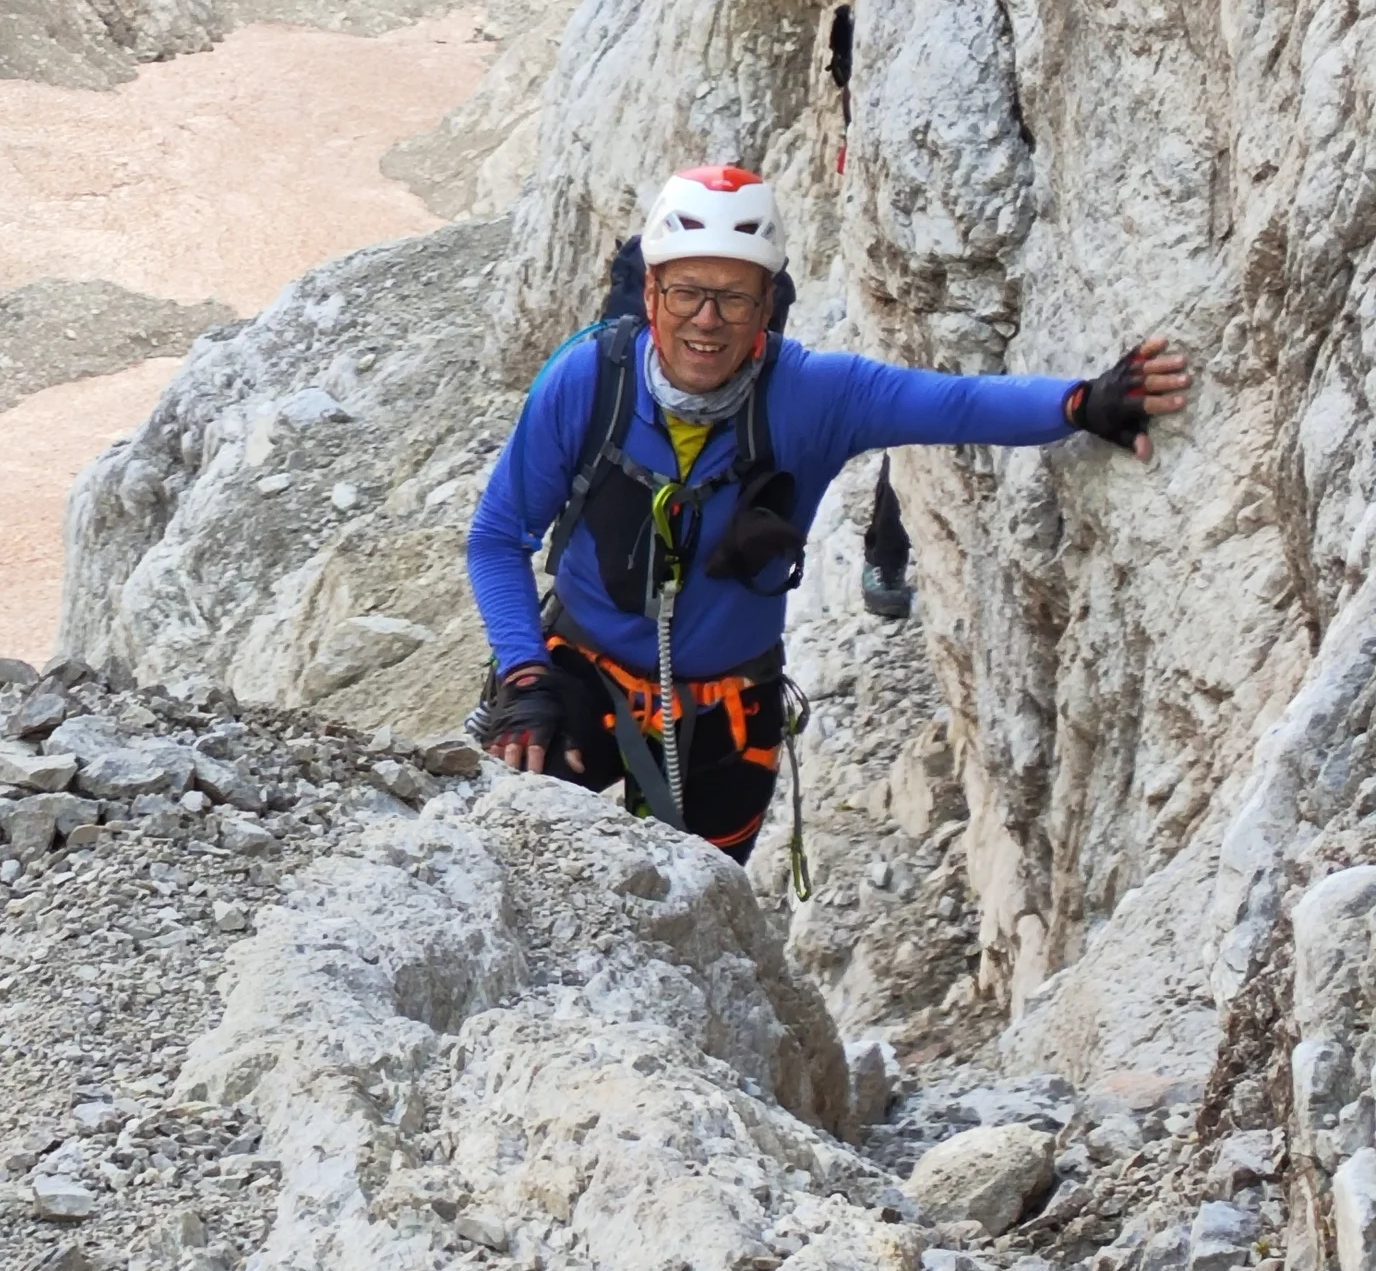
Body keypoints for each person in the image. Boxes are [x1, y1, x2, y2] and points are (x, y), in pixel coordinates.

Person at [468, 164, 1192, 861]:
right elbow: (498, 539)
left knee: (689, 919)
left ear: (768, 307)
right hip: (573, 685)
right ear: (651, 292)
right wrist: (524, 674)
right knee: (513, 857)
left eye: (736, 298)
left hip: (726, 715)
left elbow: (953, 403)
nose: (708, 321)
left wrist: (1081, 405)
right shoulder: (590, 380)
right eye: (688, 292)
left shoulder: (811, 397)